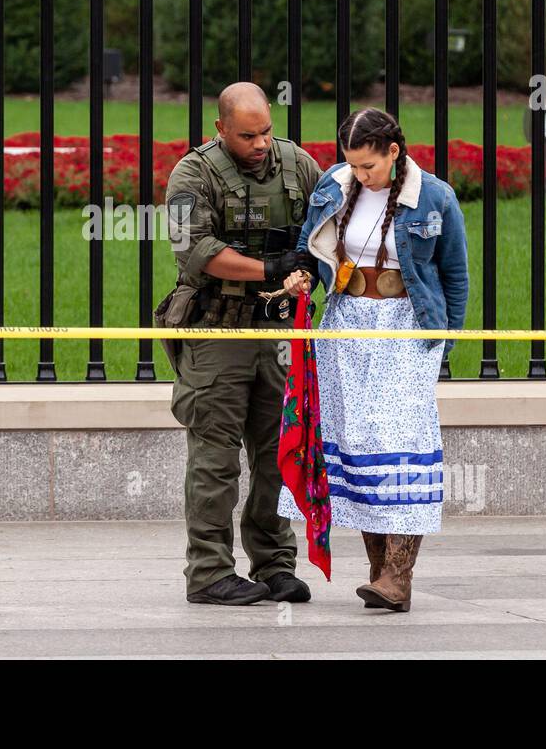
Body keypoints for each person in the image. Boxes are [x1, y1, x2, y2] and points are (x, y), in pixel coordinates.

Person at [279, 107, 469, 612]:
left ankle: (400, 575)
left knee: (401, 436)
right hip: (346, 323)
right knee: (359, 438)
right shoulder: (334, 186)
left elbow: (455, 275)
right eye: (353, 165)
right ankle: (380, 573)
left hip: (406, 325)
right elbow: (307, 246)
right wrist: (302, 273)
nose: (360, 175)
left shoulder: (434, 197)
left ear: (393, 151)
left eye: (369, 166)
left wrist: (443, 341)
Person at [155, 82, 323, 605]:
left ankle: (275, 564)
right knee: (216, 457)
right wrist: (268, 268)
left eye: (266, 131)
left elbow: (327, 227)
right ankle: (209, 573)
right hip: (219, 331)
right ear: (220, 129)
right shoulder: (193, 172)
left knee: (278, 454)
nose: (260, 144)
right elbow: (195, 250)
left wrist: (307, 270)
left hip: (277, 331)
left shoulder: (298, 166)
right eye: (247, 135)